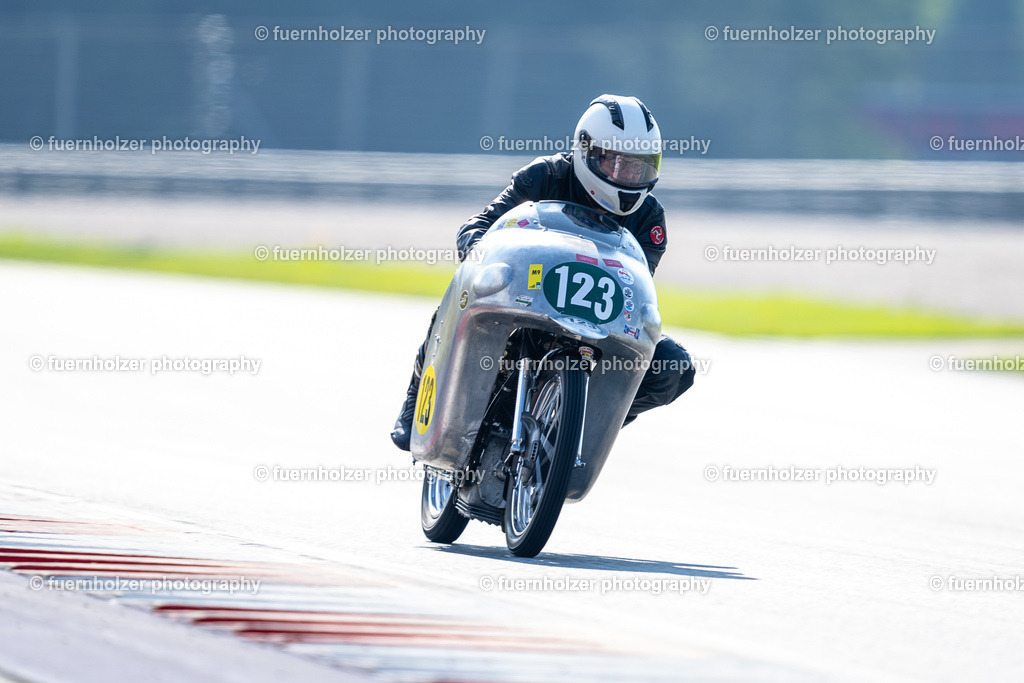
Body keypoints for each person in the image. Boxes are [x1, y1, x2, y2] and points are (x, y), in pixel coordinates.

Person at [391, 94, 695, 451]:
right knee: (461, 293)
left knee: (674, 367)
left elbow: (636, 286)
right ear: (587, 152)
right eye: (615, 162)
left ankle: (581, 427)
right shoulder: (545, 175)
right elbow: (482, 223)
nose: (626, 175)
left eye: (637, 167)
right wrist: (478, 248)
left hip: (599, 321)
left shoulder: (649, 219)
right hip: (529, 297)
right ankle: (418, 395)